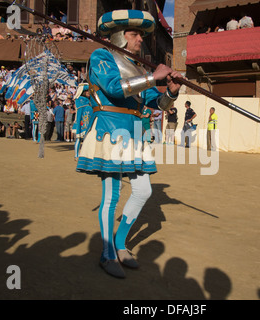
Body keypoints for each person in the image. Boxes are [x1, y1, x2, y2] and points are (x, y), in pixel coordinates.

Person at [75, 9, 182, 279]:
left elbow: (155, 103)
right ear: (120, 36)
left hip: (133, 134)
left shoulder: (137, 67)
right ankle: (107, 253)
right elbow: (113, 88)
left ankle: (121, 244)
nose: (140, 40)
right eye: (134, 34)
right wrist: (153, 77)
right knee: (111, 196)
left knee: (143, 191)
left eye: (140, 35)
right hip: (110, 130)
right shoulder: (102, 56)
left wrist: (170, 91)